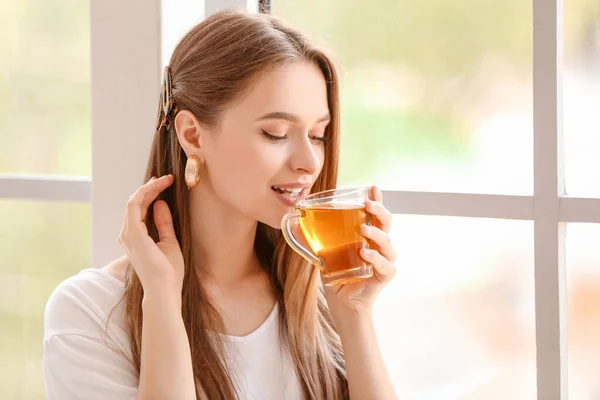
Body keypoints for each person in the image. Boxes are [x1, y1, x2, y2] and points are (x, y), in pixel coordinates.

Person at [43, 9, 397, 400]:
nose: (310, 163)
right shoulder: (89, 313)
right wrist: (162, 303)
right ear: (193, 135)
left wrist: (355, 315)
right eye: (276, 133)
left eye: (317, 135)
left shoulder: (317, 302)